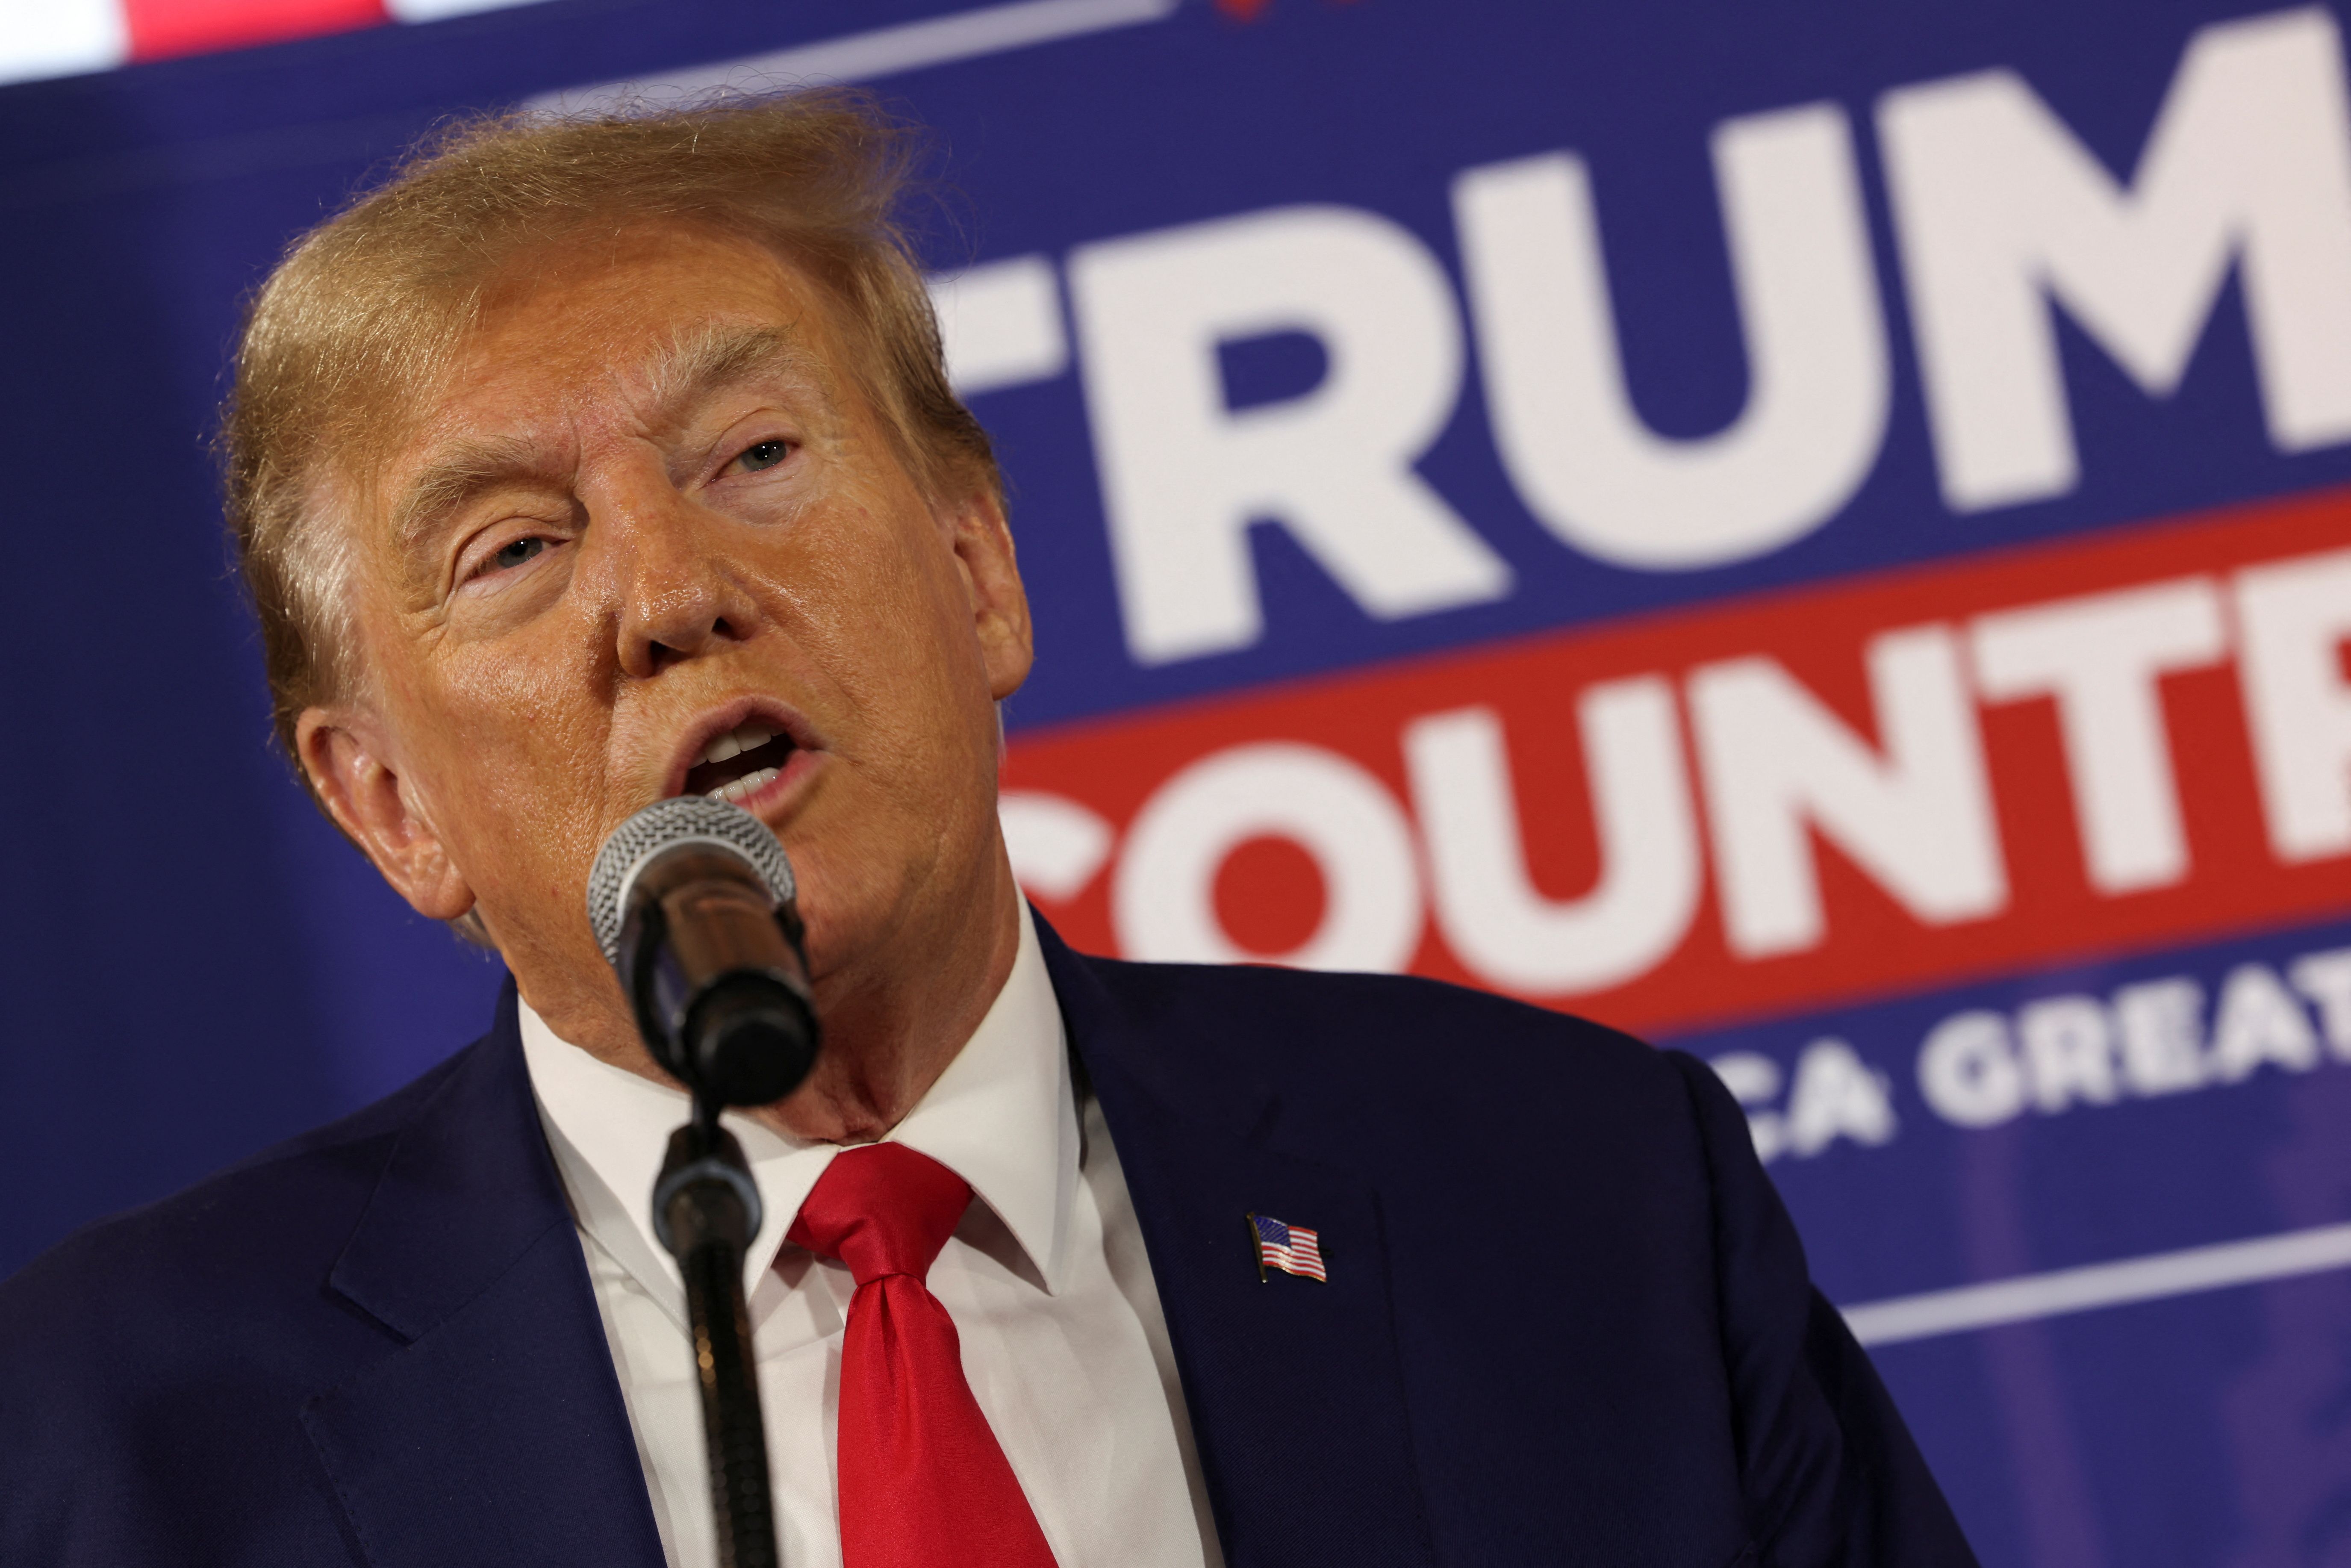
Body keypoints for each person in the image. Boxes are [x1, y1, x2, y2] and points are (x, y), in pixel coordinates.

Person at [0, 92, 1977, 1568]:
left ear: (978, 570)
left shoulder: (1569, 1193)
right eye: (515, 547)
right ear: (390, 804)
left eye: (753, 455)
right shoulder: (118, 1438)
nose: (671, 592)